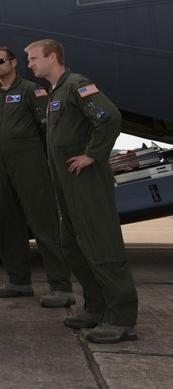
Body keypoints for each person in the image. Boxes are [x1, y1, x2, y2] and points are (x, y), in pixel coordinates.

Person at [26, 39, 138, 344]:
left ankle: (121, 318)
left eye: (34, 58)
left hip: (85, 179)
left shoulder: (77, 85)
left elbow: (109, 117)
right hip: (66, 181)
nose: (30, 64)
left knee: (100, 243)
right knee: (74, 244)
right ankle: (97, 308)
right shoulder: (55, 92)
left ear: (52, 57)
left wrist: (92, 153)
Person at [0, 47, 75, 308]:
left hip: (31, 169)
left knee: (44, 225)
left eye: (1, 61)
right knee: (9, 226)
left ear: (14, 63)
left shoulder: (32, 91)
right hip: (2, 172)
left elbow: (49, 128)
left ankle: (61, 286)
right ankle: (19, 282)